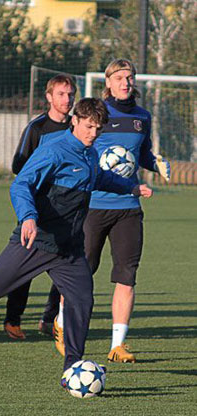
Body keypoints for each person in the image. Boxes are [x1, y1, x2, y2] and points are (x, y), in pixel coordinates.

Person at [0, 98, 153, 376]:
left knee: (82, 302)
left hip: (69, 249)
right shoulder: (54, 151)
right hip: (37, 241)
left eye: (98, 128)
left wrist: (131, 187)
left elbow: (99, 179)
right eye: (88, 126)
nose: (93, 133)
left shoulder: (90, 153)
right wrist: (28, 217)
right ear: (75, 121)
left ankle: (72, 366)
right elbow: (21, 184)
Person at [75, 59, 170, 363]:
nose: (125, 83)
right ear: (108, 82)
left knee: (127, 276)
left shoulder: (143, 116)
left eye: (129, 77)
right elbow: (79, 147)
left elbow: (141, 154)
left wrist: (156, 163)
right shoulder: (97, 112)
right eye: (119, 78)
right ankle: (64, 323)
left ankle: (117, 345)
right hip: (93, 205)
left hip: (129, 207)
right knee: (80, 271)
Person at [3, 74, 77, 340]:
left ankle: (49, 319)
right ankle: (13, 320)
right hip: (37, 208)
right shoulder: (37, 128)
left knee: (65, 266)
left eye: (70, 94)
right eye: (61, 94)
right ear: (49, 97)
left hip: (67, 210)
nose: (67, 99)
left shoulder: (77, 127)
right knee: (25, 265)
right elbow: (18, 166)